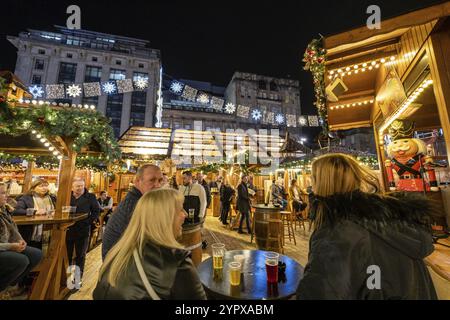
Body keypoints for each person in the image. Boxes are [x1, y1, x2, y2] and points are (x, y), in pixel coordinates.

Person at [296, 153, 437, 300]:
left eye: (313, 178)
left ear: (322, 182)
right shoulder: (393, 219)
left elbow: (321, 291)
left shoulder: (336, 233)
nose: (311, 185)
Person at [93, 189, 206, 300]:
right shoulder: (176, 263)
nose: (185, 214)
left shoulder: (117, 253)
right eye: (181, 209)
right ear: (165, 217)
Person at [102, 164, 163, 260]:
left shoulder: (139, 199)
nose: (158, 185)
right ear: (137, 181)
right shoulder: (135, 205)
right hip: (118, 267)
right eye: (152, 180)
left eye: (160, 180)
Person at [0, 182, 42, 299]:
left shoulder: (4, 209)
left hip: (6, 246)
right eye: (3, 193)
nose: (7, 196)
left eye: (6, 192)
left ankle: (8, 285)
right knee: (21, 260)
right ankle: (2, 288)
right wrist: (11, 246)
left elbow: (13, 229)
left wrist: (20, 240)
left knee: (36, 255)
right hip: (3, 248)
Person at [66, 178, 100, 285]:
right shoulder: (67, 196)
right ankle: (66, 278)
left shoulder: (90, 197)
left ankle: (77, 279)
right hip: (67, 229)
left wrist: (87, 222)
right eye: (77, 186)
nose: (80, 188)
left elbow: (96, 211)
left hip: (83, 230)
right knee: (67, 255)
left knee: (80, 255)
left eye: (82, 185)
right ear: (72, 187)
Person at [13, 179, 56, 246]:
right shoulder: (26, 198)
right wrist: (34, 212)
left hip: (50, 229)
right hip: (31, 230)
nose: (44, 188)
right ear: (33, 188)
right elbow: (16, 211)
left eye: (46, 186)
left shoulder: (52, 197)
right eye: (41, 186)